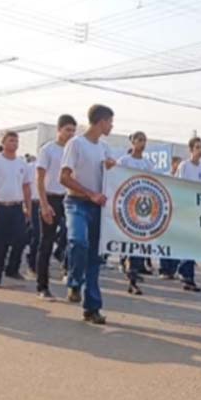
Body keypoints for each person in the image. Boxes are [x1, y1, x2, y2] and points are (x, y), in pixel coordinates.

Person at [61, 104, 116, 324]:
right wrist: (89, 193)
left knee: (95, 258)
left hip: (98, 207)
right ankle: (74, 282)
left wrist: (113, 168)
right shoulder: (76, 144)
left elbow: (112, 175)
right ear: (102, 122)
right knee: (78, 241)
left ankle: (92, 307)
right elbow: (64, 177)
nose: (112, 126)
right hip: (77, 203)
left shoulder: (104, 148)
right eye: (110, 122)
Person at [0, 131, 33, 289]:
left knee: (21, 238)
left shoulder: (22, 163)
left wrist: (28, 207)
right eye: (11, 140)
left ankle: (12, 269)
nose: (14, 144)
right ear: (3, 143)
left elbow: (26, 186)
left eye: (16, 141)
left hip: (16, 206)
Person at [35, 114, 76, 300]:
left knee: (72, 238)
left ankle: (68, 270)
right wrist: (44, 205)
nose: (71, 134)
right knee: (46, 242)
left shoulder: (74, 150)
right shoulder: (48, 150)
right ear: (59, 130)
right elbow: (40, 179)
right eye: (68, 129)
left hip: (69, 199)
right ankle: (42, 287)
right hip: (50, 198)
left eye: (73, 131)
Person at [117, 132, 154, 295]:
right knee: (128, 240)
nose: (142, 143)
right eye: (139, 140)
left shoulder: (147, 164)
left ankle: (133, 274)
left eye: (144, 140)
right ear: (132, 142)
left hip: (142, 207)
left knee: (138, 241)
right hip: (127, 205)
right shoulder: (124, 161)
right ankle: (128, 269)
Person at [174, 137, 201, 282]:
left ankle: (184, 270)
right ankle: (187, 275)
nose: (200, 150)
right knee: (187, 241)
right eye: (197, 147)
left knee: (193, 242)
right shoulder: (184, 166)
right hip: (186, 208)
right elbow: (181, 186)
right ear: (191, 150)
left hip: (199, 210)